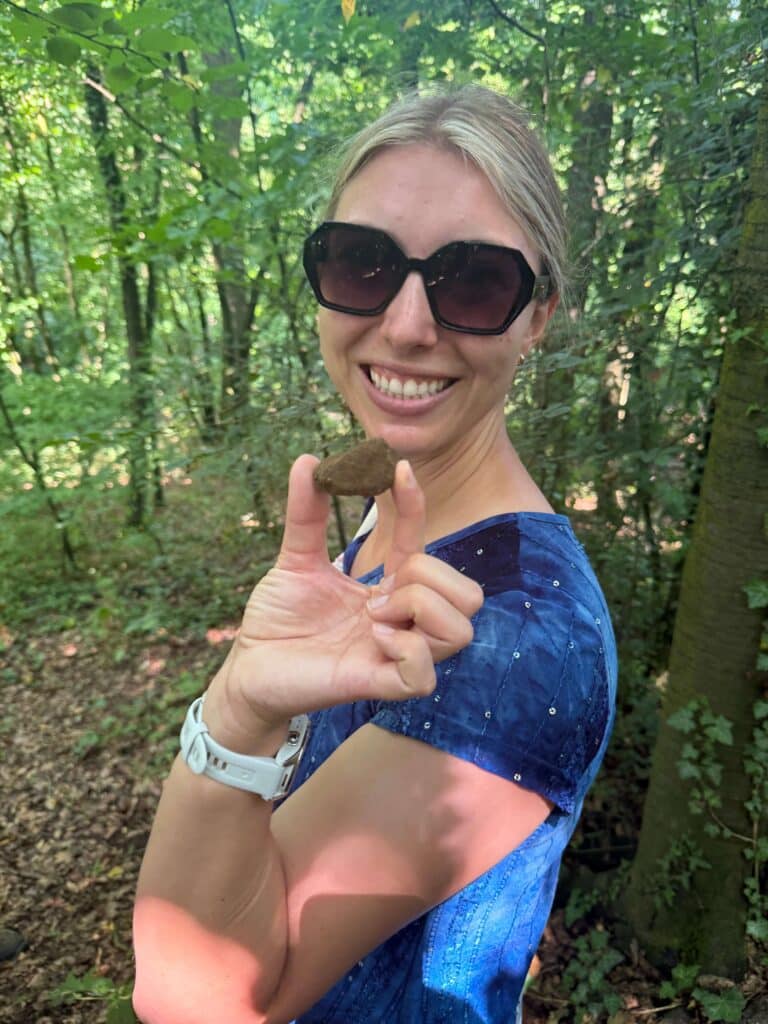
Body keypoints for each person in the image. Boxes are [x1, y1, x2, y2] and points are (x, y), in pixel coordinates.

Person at [132, 85, 617, 1024]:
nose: (403, 326)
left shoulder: (517, 638)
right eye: (363, 264)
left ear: (539, 314)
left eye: (473, 282)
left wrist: (235, 712)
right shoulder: (397, 511)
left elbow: (200, 1004)